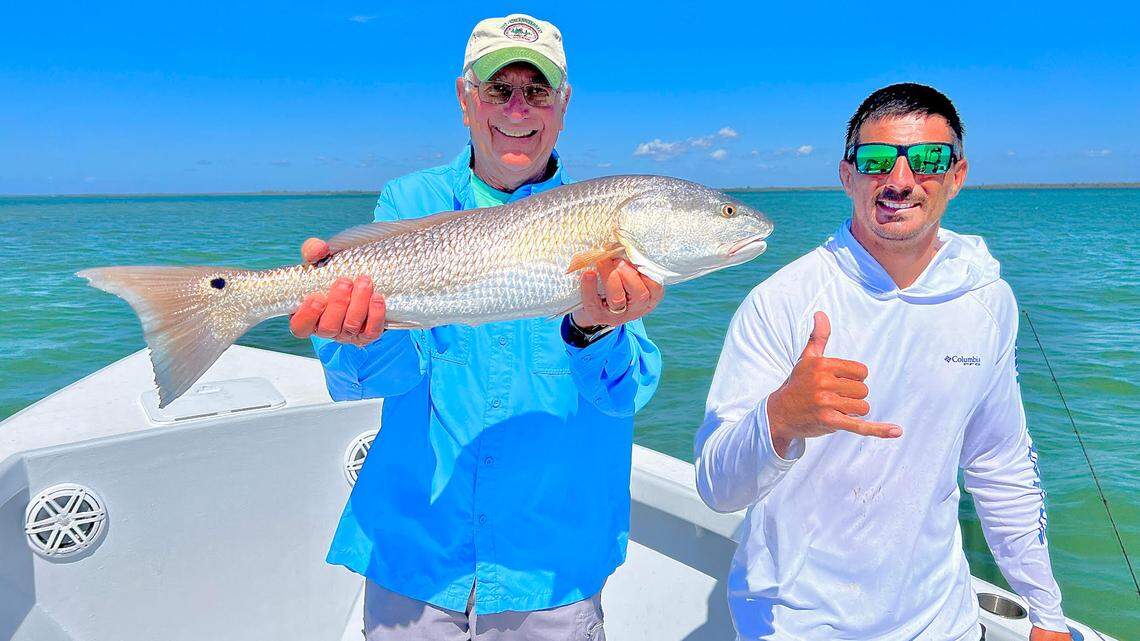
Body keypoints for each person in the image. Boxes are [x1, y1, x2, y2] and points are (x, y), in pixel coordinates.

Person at [288, 14, 663, 641]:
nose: (518, 108)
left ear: (562, 106)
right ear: (466, 100)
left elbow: (623, 395)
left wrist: (597, 330)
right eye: (499, 89)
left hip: (549, 569)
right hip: (415, 553)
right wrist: (361, 334)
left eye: (537, 90)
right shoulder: (410, 202)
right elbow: (368, 379)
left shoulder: (605, 222)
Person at [694, 83, 1072, 641]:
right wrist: (779, 419)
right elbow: (715, 487)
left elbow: (1001, 465)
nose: (899, 180)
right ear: (847, 175)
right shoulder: (783, 299)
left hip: (943, 621)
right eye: (875, 161)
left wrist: (1047, 613)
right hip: (794, 623)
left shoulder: (988, 299)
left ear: (956, 176)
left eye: (926, 160)